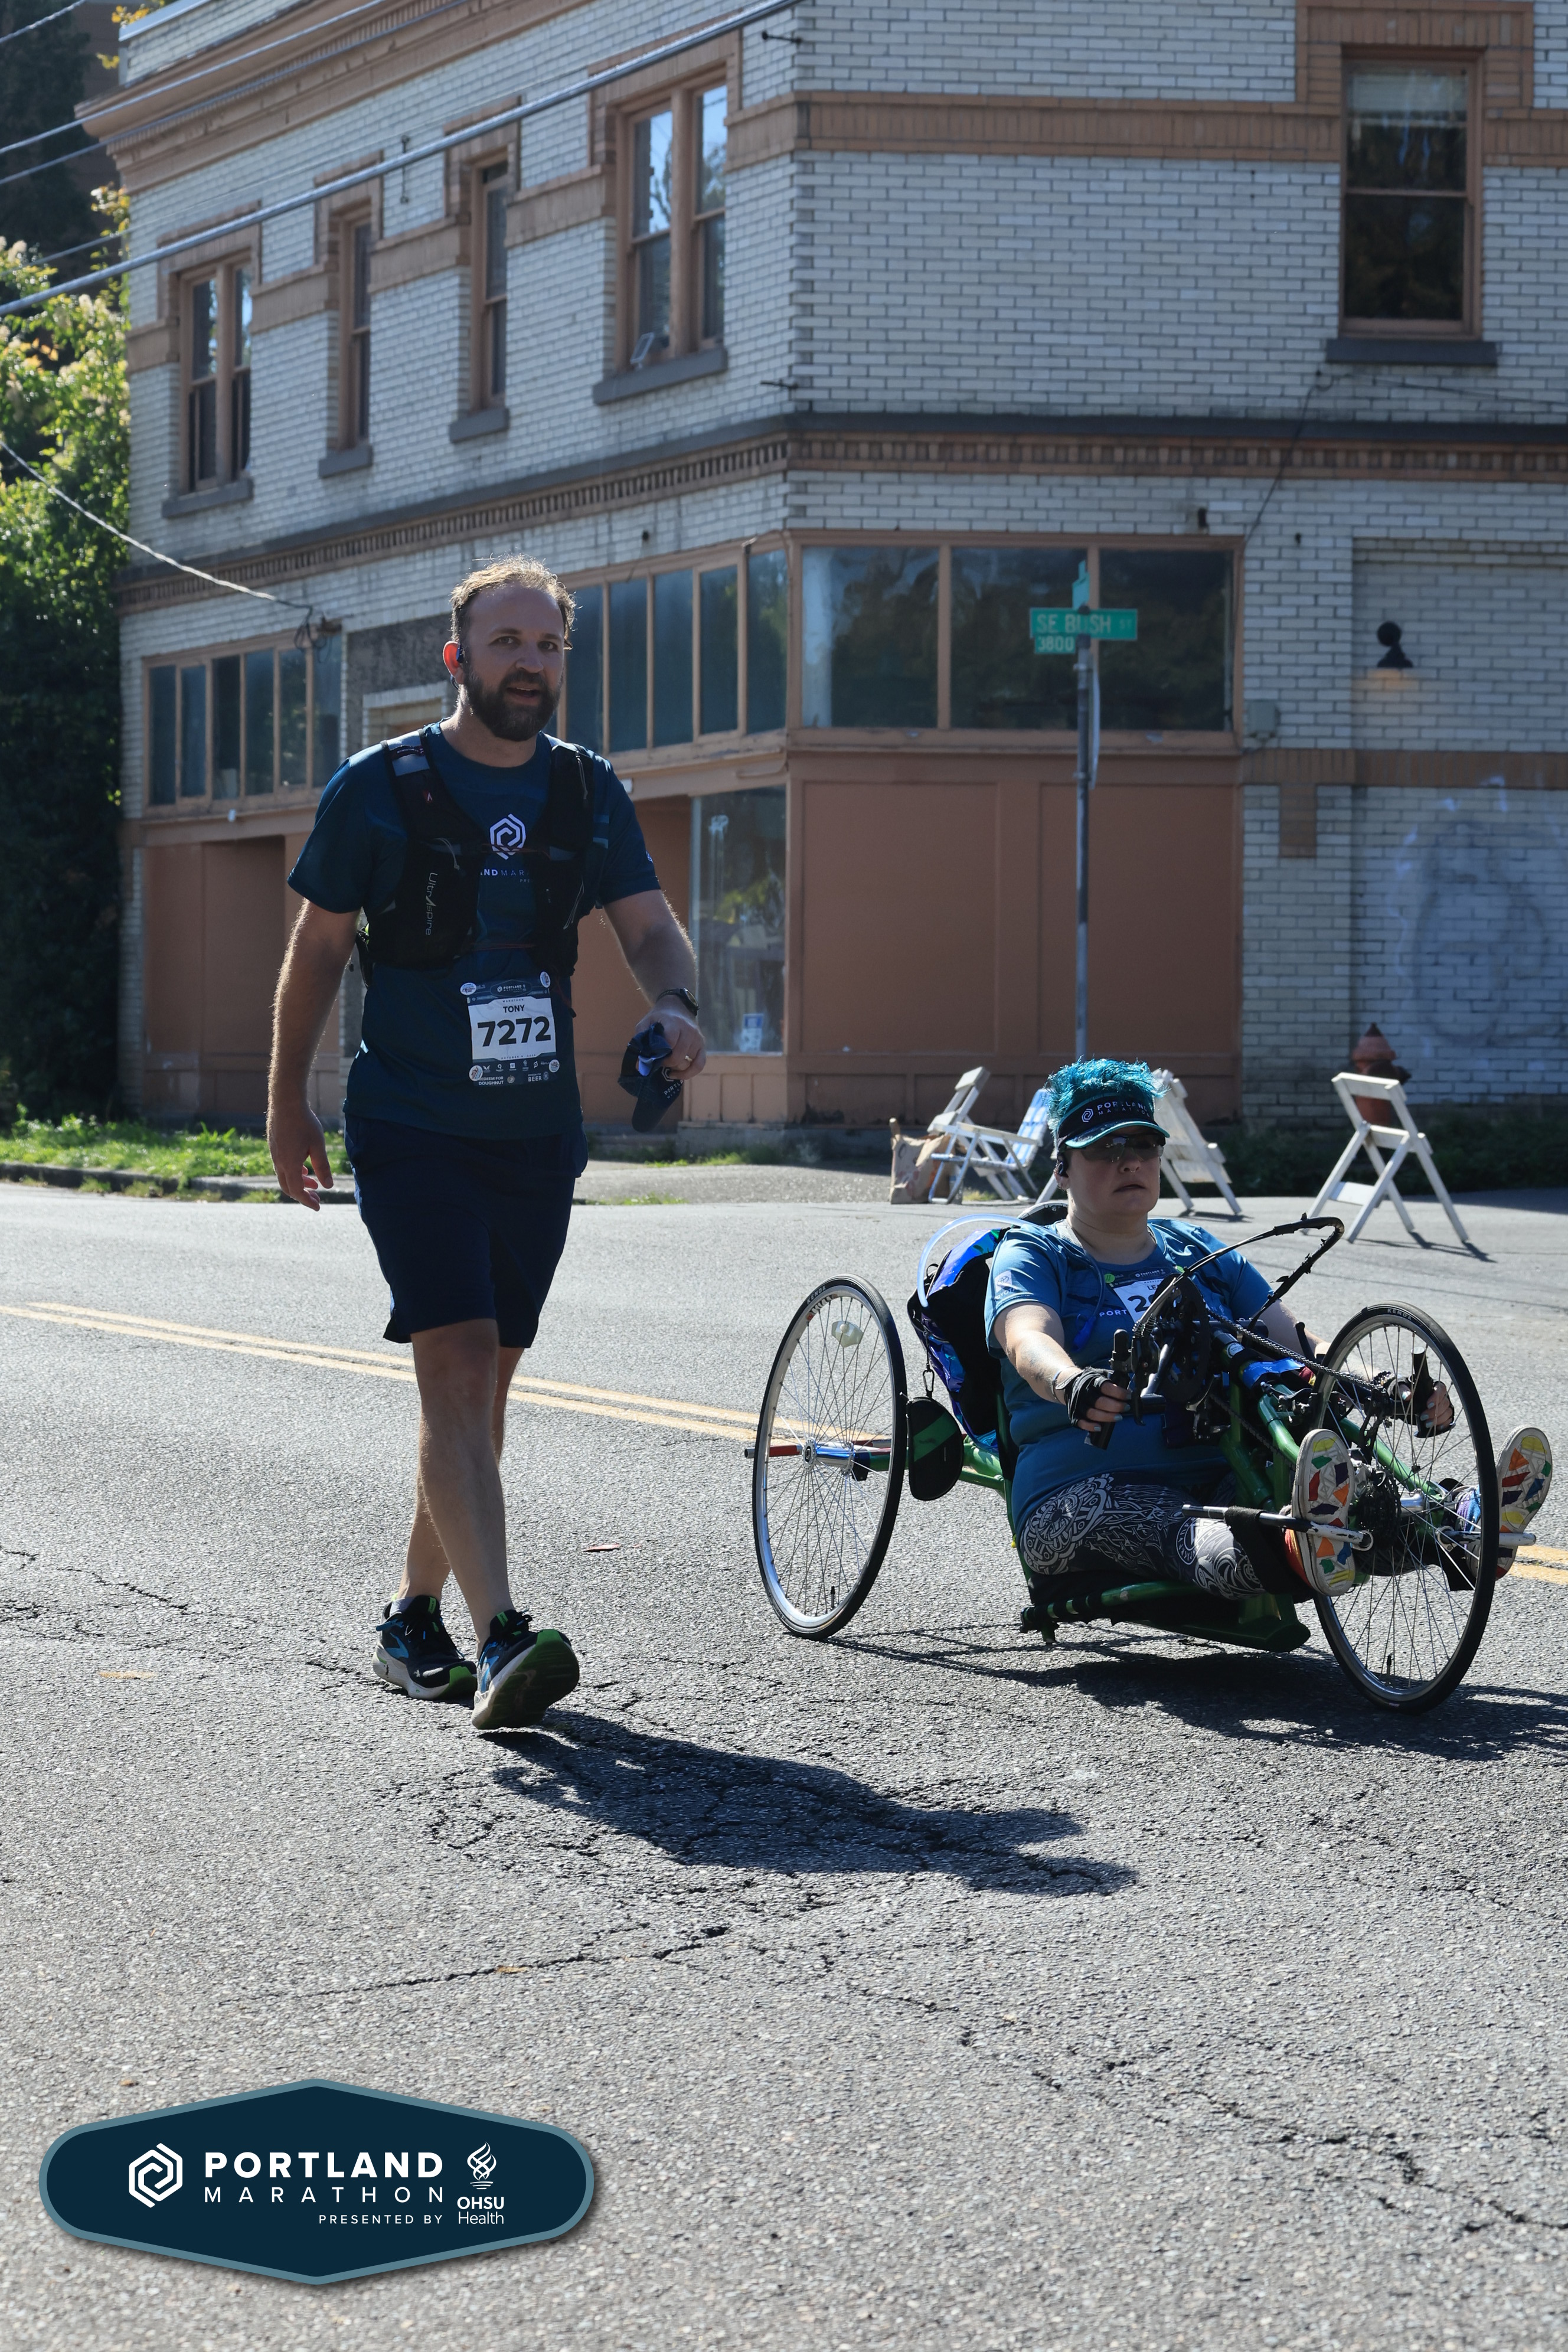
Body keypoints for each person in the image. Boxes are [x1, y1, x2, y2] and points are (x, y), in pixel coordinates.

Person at [267, 556, 706, 1732]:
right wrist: (286, 1103)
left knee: (484, 1385)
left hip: (533, 1134)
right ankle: (502, 1632)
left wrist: (675, 1006)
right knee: (456, 1364)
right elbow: (317, 950)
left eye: (547, 644)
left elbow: (650, 929)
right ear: (458, 658)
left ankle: (410, 1618)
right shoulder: (379, 788)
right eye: (507, 642)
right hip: (411, 1123)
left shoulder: (586, 791)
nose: (529, 662)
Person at [987, 1059, 1551, 1602]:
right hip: (1081, 1491)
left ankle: (1456, 1523)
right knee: (1199, 1536)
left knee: (1344, 1499)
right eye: (1105, 1148)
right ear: (1062, 1168)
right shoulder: (1035, 1252)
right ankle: (1297, 1548)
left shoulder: (1198, 1249)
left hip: (1225, 1470)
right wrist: (1071, 1382)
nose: (1129, 1162)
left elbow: (1298, 1345)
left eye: (1143, 1146)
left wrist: (1385, 1387)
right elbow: (1027, 1338)